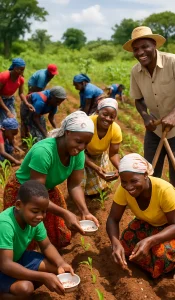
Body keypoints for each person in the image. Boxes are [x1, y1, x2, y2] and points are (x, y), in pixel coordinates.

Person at [123, 26, 175, 203]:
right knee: (148, 171)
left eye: (145, 47)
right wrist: (145, 116)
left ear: (154, 45)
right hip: (155, 127)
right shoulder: (136, 71)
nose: (140, 52)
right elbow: (138, 99)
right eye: (136, 49)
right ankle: (152, 208)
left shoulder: (174, 62)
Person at [3, 111, 99, 249]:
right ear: (67, 133)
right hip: (23, 192)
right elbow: (35, 194)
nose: (81, 147)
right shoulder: (44, 151)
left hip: (46, 190)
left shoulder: (78, 153)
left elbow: (75, 185)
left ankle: (50, 255)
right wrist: (65, 213)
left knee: (57, 233)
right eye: (78, 141)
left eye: (86, 143)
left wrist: (85, 212)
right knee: (21, 237)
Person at [106, 153, 175, 279]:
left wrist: (150, 240)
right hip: (150, 221)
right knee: (125, 244)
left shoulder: (164, 189)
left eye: (134, 181)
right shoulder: (123, 190)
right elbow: (112, 219)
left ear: (145, 175)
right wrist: (115, 244)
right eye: (124, 182)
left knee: (161, 256)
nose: (129, 186)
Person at [0, 180, 74, 299]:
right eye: (35, 211)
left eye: (44, 211)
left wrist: (61, 263)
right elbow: (6, 265)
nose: (40, 216)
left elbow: (46, 246)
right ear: (19, 205)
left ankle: (19, 281)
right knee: (26, 288)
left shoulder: (34, 220)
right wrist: (43, 277)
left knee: (58, 270)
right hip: (3, 266)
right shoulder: (5, 224)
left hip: (17, 258)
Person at [83, 98, 122, 196]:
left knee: (100, 185)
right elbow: (78, 151)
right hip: (82, 153)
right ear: (97, 111)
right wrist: (96, 168)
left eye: (112, 116)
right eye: (105, 114)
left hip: (99, 153)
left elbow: (114, 153)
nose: (108, 119)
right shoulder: (87, 124)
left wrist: (120, 168)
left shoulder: (115, 130)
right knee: (80, 183)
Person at [0, 58, 35, 123]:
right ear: (15, 68)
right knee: (3, 123)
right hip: (1, 100)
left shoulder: (20, 79)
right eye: (21, 70)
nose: (22, 72)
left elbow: (21, 93)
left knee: (12, 122)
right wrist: (7, 111)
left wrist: (27, 104)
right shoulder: (4, 76)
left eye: (23, 70)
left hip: (9, 100)